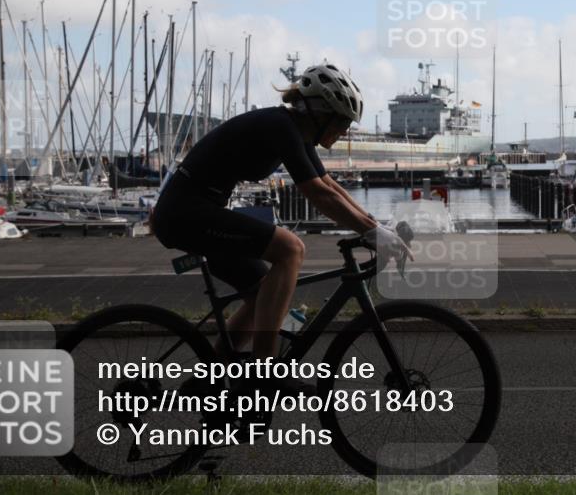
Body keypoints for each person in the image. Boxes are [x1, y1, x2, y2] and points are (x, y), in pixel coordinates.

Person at [150, 63, 410, 386]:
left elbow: (329, 186)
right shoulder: (280, 126)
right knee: (290, 249)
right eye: (341, 121)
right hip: (184, 213)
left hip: (197, 210)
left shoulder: (297, 132)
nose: (344, 132)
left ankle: (211, 378)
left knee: (265, 296)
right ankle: (265, 370)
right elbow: (316, 194)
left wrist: (375, 225)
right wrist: (371, 233)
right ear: (319, 111)